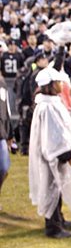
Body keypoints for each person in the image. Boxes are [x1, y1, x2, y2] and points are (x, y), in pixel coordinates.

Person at [28, 67, 71, 238]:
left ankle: (59, 219)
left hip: (55, 155)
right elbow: (54, 135)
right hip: (53, 156)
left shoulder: (51, 103)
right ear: (49, 85)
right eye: (58, 82)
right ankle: (53, 227)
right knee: (51, 189)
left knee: (57, 188)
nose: (61, 85)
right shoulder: (47, 107)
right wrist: (68, 155)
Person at [0, 73, 12, 211]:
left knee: (3, 167)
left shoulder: (2, 83)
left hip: (1, 132)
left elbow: (6, 109)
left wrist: (10, 133)